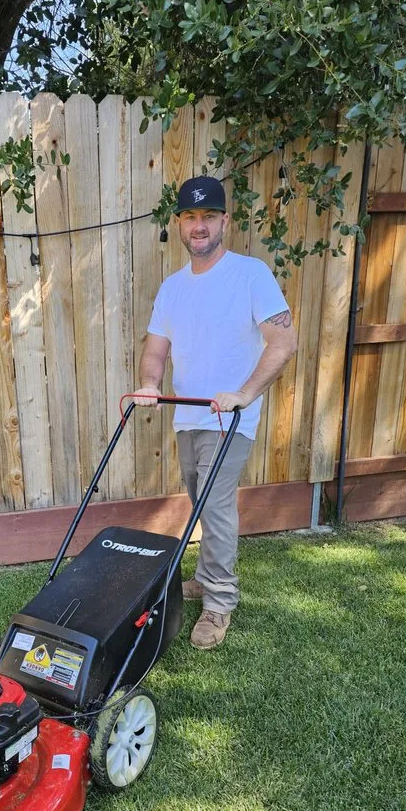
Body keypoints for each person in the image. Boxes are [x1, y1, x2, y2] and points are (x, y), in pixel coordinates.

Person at [133, 175, 297, 650]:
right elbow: (156, 348)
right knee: (198, 497)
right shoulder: (172, 287)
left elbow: (283, 340)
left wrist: (245, 393)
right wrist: (148, 384)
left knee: (215, 505)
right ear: (180, 224)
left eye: (208, 216)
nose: (199, 225)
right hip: (188, 415)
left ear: (225, 220)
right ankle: (205, 578)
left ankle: (220, 600)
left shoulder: (250, 274)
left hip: (231, 419)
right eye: (190, 217)